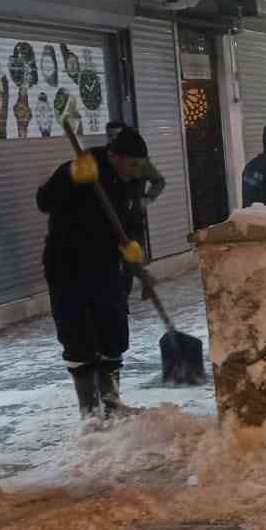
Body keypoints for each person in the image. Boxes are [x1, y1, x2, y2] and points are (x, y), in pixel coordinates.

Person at [37, 127, 151, 419]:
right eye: (133, 164)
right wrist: (70, 176)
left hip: (107, 266)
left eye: (140, 165)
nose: (137, 171)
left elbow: (133, 218)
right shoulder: (80, 167)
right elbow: (43, 201)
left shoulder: (131, 180)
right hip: (67, 266)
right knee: (77, 335)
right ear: (114, 156)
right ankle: (89, 412)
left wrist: (135, 249)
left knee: (113, 331)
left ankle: (111, 404)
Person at [108, 120, 166, 205]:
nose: (113, 138)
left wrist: (148, 199)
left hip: (134, 209)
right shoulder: (104, 156)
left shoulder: (137, 157)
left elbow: (159, 181)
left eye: (117, 135)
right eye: (110, 136)